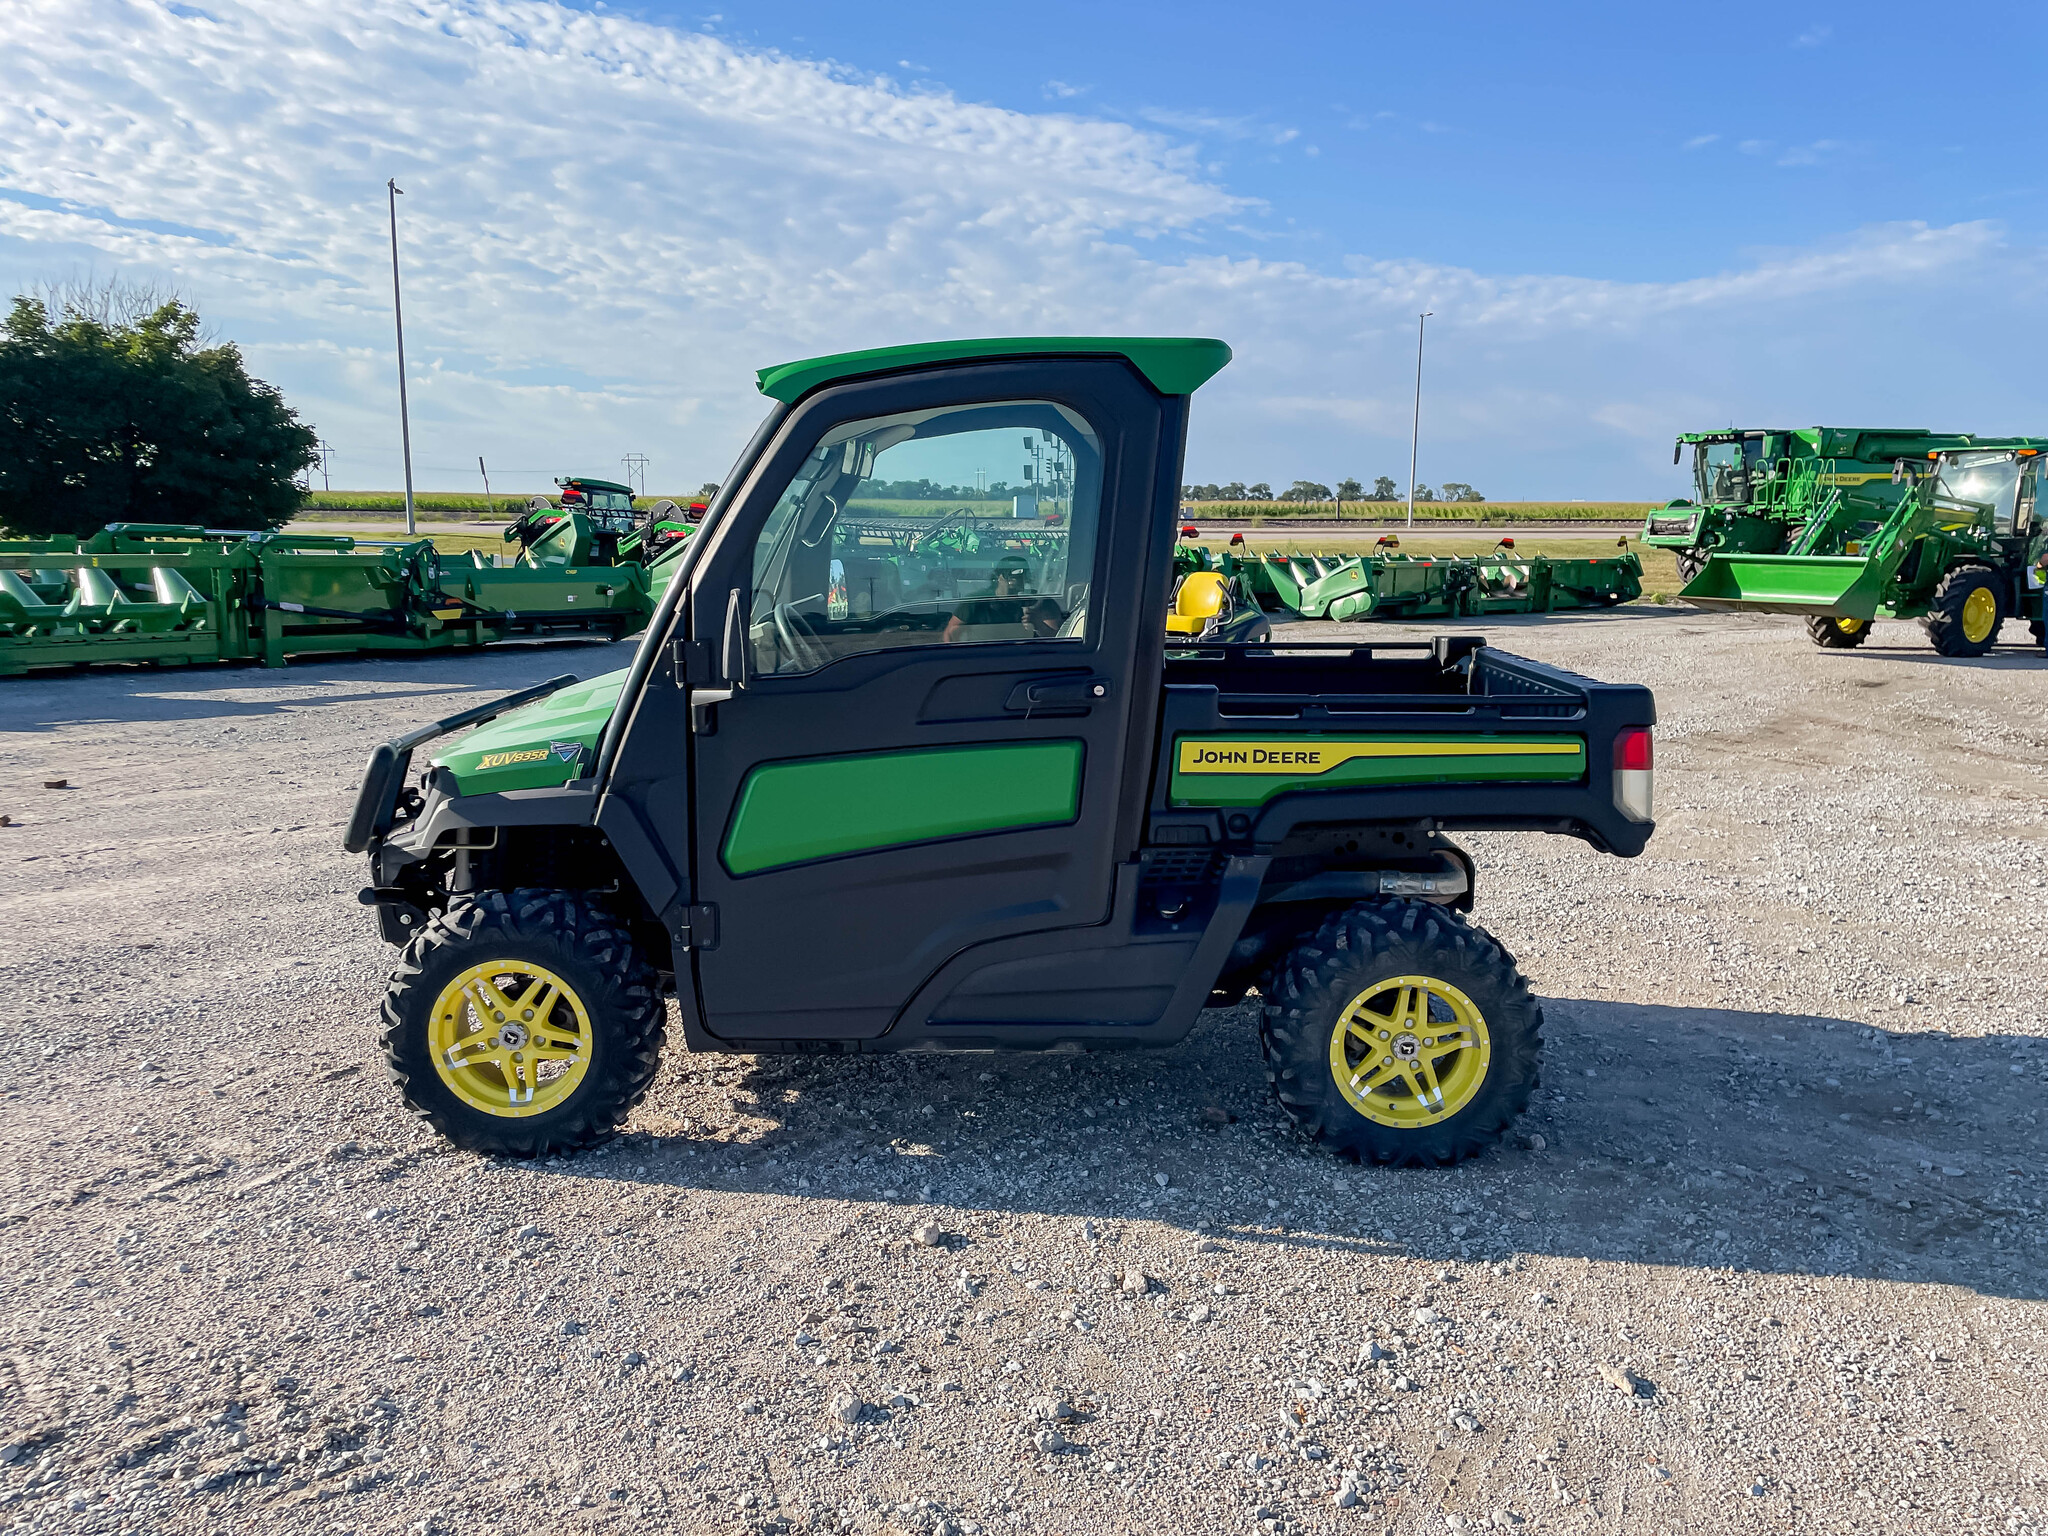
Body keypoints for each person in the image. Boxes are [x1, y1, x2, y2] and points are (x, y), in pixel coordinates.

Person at [944, 557, 1058, 642]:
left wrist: (1037, 622)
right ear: (999, 576)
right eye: (1012, 573)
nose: (1017, 578)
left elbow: (1057, 638)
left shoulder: (1039, 603)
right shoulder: (977, 602)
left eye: (1023, 574)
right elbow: (950, 634)